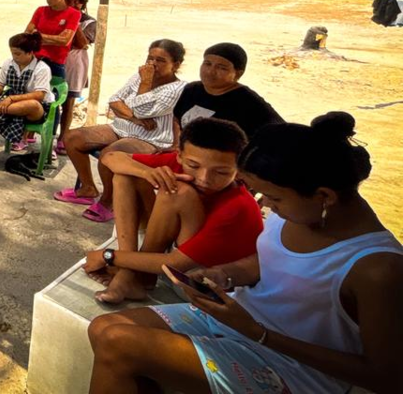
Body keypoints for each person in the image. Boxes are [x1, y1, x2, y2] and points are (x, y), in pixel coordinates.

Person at [88, 112, 403, 394]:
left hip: (291, 367)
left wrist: (259, 333)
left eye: (274, 198)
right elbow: (271, 262)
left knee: (120, 344)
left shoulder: (378, 269)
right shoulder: (297, 211)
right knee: (102, 328)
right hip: (239, 323)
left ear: (324, 196)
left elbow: (386, 377)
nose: (265, 205)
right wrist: (225, 273)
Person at [84, 118, 262, 304]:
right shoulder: (178, 163)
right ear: (179, 155)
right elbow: (110, 158)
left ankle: (132, 276)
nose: (204, 178)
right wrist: (147, 173)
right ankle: (129, 276)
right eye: (193, 166)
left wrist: (108, 256)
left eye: (221, 173)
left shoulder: (238, 206)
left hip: (201, 283)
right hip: (175, 259)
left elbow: (175, 263)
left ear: (239, 171)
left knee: (178, 191)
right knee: (126, 175)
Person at [58, 39, 187, 222]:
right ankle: (88, 188)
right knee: (73, 137)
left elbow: (141, 108)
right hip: (122, 127)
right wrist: (135, 118)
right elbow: (114, 100)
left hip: (150, 138)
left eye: (160, 60)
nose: (153, 64)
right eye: (150, 58)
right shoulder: (140, 75)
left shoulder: (177, 89)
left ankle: (108, 202)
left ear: (176, 65)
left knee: (110, 154)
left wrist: (143, 88)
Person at [173, 42, 282, 146]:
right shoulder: (192, 89)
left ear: (238, 74)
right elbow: (176, 119)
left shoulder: (249, 103)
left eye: (222, 68)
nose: (211, 71)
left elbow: (280, 134)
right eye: (207, 64)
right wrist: (176, 144)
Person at [0, 32, 54, 167]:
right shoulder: (9, 63)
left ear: (30, 53)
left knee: (32, 104)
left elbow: (39, 95)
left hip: (36, 111)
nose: (14, 57)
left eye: (18, 54)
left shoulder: (42, 68)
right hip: (10, 106)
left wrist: (12, 98)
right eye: (13, 53)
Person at [58, 0, 96, 155]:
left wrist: (73, 21)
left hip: (75, 64)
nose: (71, 4)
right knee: (49, 100)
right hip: (57, 61)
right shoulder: (58, 16)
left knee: (68, 103)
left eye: (75, 2)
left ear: (82, 3)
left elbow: (81, 43)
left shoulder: (90, 22)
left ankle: (62, 139)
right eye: (68, 1)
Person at [25, 0, 82, 81]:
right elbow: (27, 35)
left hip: (55, 63)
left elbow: (64, 40)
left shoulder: (74, 14)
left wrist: (39, 36)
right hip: (34, 60)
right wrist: (53, 39)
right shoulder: (40, 11)